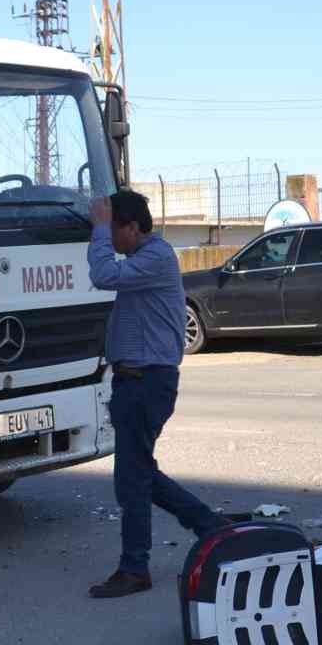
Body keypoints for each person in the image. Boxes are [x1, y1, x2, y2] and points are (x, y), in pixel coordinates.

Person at [86, 190, 226, 598]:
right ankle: (208, 525)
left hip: (148, 383)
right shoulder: (140, 260)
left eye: (113, 231)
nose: (109, 240)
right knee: (139, 473)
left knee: (131, 480)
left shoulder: (156, 257)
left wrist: (97, 230)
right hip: (134, 381)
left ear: (132, 227)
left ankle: (135, 568)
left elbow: (102, 276)